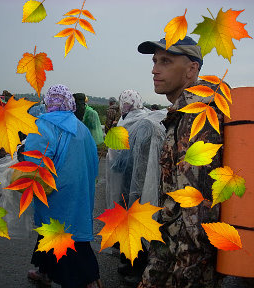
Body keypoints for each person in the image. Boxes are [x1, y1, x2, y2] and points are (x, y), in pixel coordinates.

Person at [135, 36, 232, 287]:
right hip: (172, 253)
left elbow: (198, 217)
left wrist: (183, 277)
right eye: (155, 61)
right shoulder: (182, 114)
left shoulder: (198, 117)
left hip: (187, 265)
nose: (155, 69)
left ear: (192, 69)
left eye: (166, 61)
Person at [25, 84, 102, 288]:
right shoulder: (81, 127)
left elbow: (35, 164)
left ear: (48, 102)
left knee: (62, 239)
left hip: (56, 194)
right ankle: (45, 271)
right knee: (70, 232)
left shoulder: (43, 125)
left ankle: (85, 280)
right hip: (81, 190)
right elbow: (94, 161)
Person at [106, 89, 166, 285]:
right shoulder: (145, 117)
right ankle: (130, 263)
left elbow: (119, 156)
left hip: (134, 180)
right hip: (140, 179)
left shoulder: (133, 123)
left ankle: (136, 268)